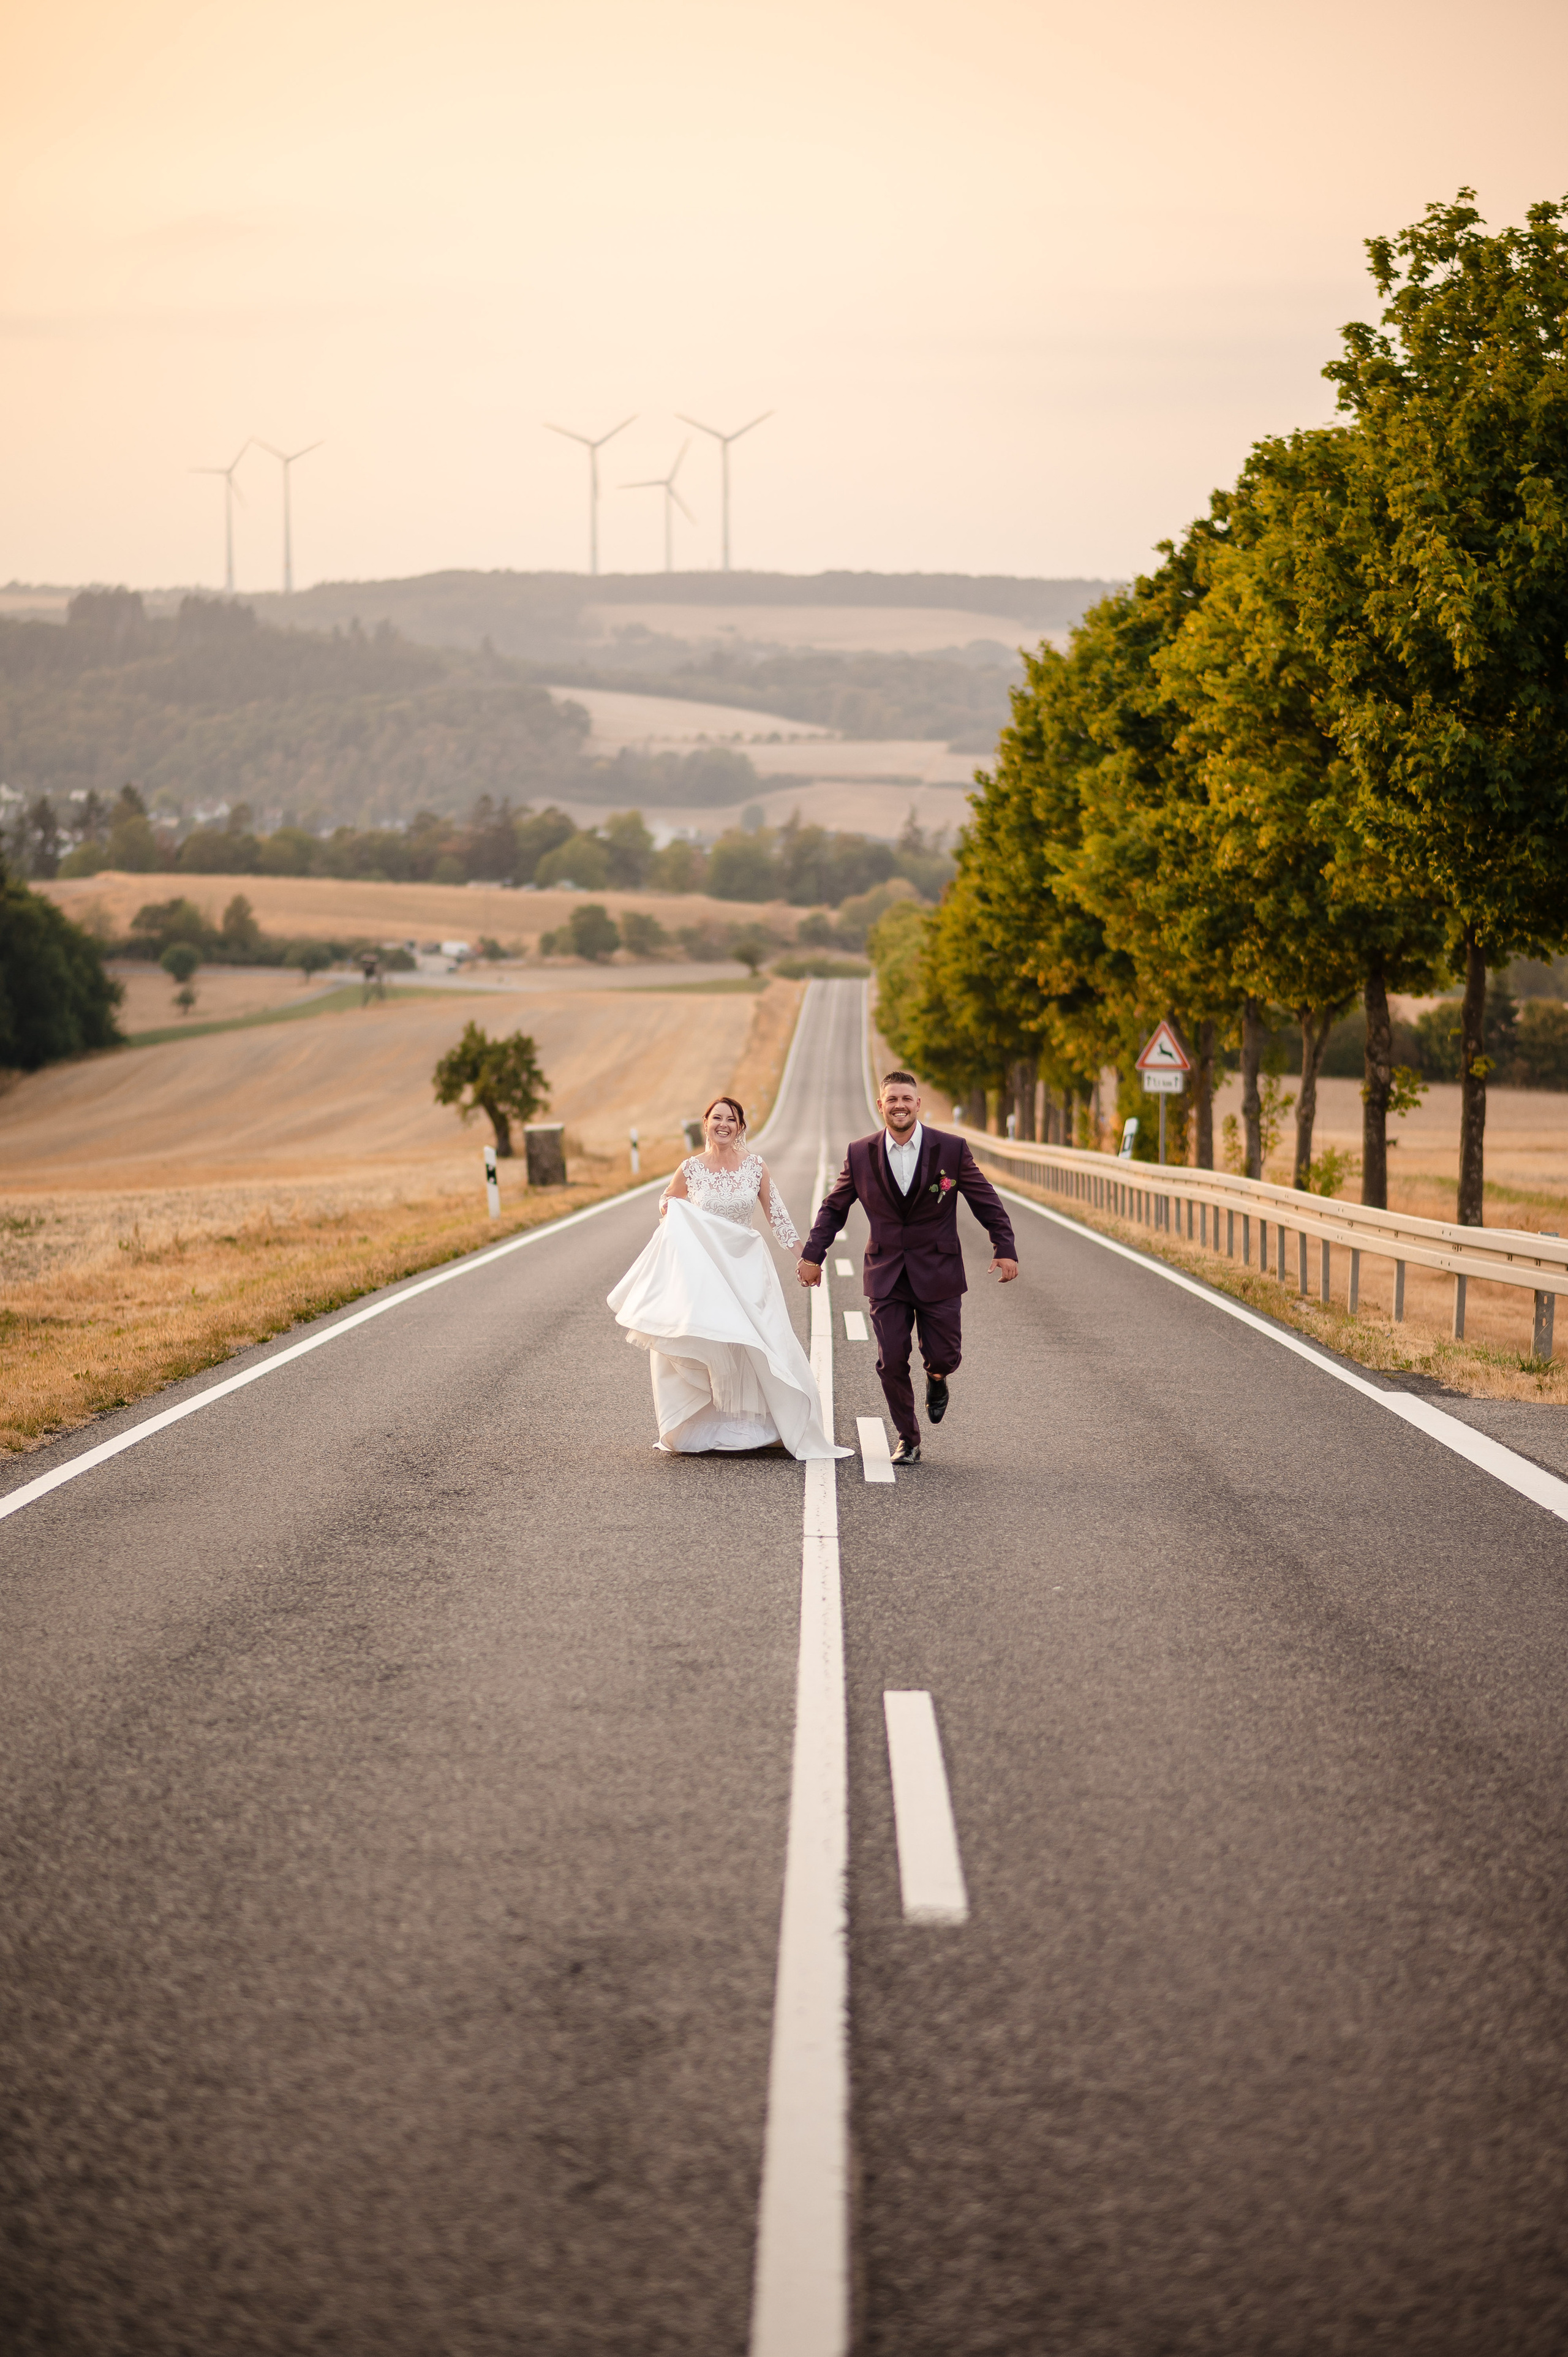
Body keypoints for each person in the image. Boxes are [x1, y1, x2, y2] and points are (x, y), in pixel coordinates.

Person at [608, 1095, 849, 1459]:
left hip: (746, 1266)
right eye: (717, 1117)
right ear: (706, 1123)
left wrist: (807, 1257)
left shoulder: (755, 1167)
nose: (724, 1124)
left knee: (757, 1341)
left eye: (731, 1119)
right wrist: (671, 1211)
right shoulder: (690, 1169)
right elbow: (667, 1203)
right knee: (716, 1341)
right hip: (707, 1271)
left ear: (740, 1127)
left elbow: (777, 1216)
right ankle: (707, 1427)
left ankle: (766, 1427)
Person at [796, 1070, 1017, 1464]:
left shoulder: (951, 1149)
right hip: (886, 1272)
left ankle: (937, 1378)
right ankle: (908, 1437)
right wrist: (813, 1255)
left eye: (906, 1099)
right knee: (892, 1358)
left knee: (944, 1354)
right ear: (880, 1105)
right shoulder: (859, 1153)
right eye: (892, 1099)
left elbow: (985, 1199)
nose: (899, 1105)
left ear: (918, 1104)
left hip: (939, 1270)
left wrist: (1004, 1246)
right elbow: (834, 1208)